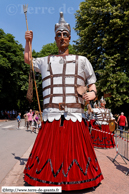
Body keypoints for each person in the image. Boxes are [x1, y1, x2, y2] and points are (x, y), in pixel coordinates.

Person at [23, 12, 103, 191]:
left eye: (65, 34)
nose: (62, 37)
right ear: (55, 38)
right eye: (59, 34)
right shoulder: (45, 61)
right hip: (51, 115)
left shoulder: (82, 60)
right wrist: (28, 43)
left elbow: (92, 82)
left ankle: (78, 181)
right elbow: (28, 61)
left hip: (74, 115)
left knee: (75, 152)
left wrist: (93, 93)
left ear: (70, 37)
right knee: (50, 152)